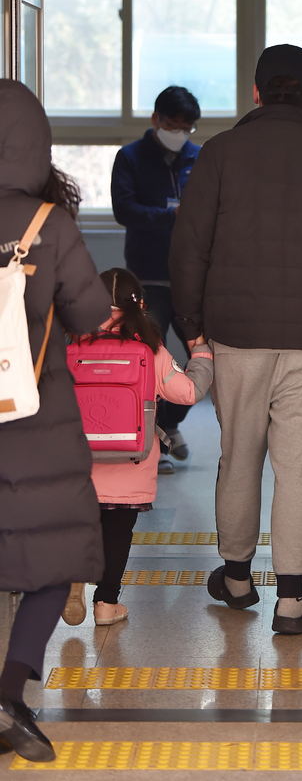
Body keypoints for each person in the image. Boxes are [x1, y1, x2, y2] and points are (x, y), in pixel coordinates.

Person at [169, 44, 302, 635]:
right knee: (299, 466)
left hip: (236, 336)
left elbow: (189, 248)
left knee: (239, 453)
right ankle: (292, 601)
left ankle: (237, 578)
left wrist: (194, 328)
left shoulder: (219, 155)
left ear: (256, 93)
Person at [0, 80, 111, 762]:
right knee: (50, 564)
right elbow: (93, 317)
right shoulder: (52, 226)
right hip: (36, 417)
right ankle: (11, 692)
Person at [62, 269, 214, 628]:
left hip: (80, 459)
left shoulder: (72, 347)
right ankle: (106, 603)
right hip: (130, 460)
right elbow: (188, 392)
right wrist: (202, 354)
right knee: (117, 531)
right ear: (141, 305)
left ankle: (74, 578)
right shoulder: (150, 351)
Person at [111, 86, 201, 475]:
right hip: (148, 277)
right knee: (150, 360)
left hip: (193, 277)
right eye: (172, 125)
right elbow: (123, 209)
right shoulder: (130, 157)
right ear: (155, 120)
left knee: (206, 357)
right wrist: (170, 216)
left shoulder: (200, 157)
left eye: (187, 127)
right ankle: (154, 443)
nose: (178, 133)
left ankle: (169, 424)